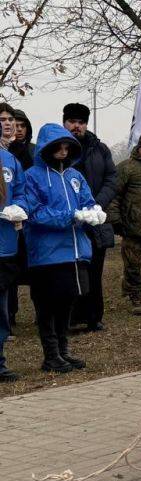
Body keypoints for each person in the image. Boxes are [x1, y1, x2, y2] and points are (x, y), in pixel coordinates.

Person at [24, 124, 102, 374]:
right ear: (47, 148)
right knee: (48, 305)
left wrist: (93, 212)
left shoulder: (75, 176)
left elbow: (87, 201)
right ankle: (51, 354)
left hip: (75, 250)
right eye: (58, 146)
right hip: (47, 254)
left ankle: (63, 350)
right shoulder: (32, 176)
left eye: (67, 146)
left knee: (67, 302)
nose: (63, 150)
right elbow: (35, 213)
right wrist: (71, 216)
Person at [63, 103, 116, 332]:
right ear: (65, 123)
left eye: (81, 122)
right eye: (73, 122)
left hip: (95, 219)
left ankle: (94, 316)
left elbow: (112, 178)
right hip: (70, 220)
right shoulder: (57, 149)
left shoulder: (100, 149)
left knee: (94, 270)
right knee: (71, 270)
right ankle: (71, 317)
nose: (77, 126)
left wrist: (97, 203)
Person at [108, 132, 141, 315]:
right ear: (139, 147)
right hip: (132, 227)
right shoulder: (126, 168)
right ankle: (135, 295)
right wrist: (116, 220)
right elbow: (114, 195)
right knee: (132, 265)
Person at [0, 140, 27, 382]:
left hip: (5, 246)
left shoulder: (10, 161)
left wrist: (18, 208)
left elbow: (21, 191)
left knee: (1, 311)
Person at [4, 107, 30, 329]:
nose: (9, 124)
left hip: (13, 234)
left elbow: (22, 191)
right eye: (2, 119)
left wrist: (19, 207)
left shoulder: (17, 158)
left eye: (11, 120)